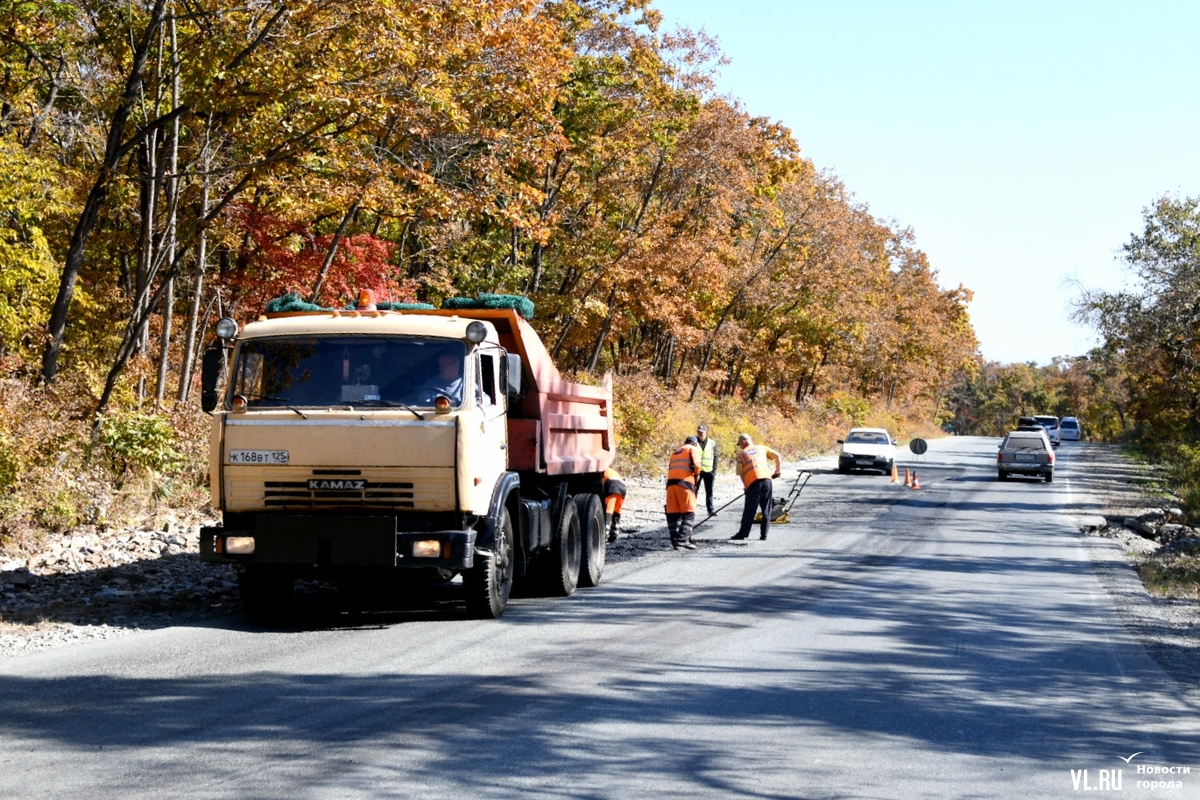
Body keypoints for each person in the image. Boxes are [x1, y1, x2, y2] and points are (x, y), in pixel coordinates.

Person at [732, 433, 782, 541]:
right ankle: (764, 535)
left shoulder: (742, 454)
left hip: (753, 483)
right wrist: (778, 471)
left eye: (740, 443)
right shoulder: (762, 448)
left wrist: (746, 487)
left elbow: (741, 474)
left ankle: (742, 534)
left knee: (750, 510)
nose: (740, 446)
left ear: (744, 441)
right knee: (766, 508)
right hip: (767, 480)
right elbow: (778, 455)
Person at [665, 436, 702, 550]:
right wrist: (697, 474)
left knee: (673, 513)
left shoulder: (676, 452)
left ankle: (675, 540)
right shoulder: (692, 449)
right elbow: (697, 465)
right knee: (689, 512)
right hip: (685, 484)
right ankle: (682, 540)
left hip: (671, 485)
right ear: (695, 443)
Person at [695, 425, 718, 516]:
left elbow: (715, 457)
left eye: (702, 432)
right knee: (694, 490)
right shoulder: (694, 442)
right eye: (698, 432)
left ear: (706, 432)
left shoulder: (712, 443)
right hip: (697, 471)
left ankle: (710, 510)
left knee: (709, 491)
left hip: (709, 471)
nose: (700, 433)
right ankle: (691, 509)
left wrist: (714, 470)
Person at [603, 466, 626, 543]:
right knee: (617, 511)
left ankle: (604, 534)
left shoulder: (600, 469)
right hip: (623, 487)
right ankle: (614, 534)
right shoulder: (610, 470)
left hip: (612, 485)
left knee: (608, 510)